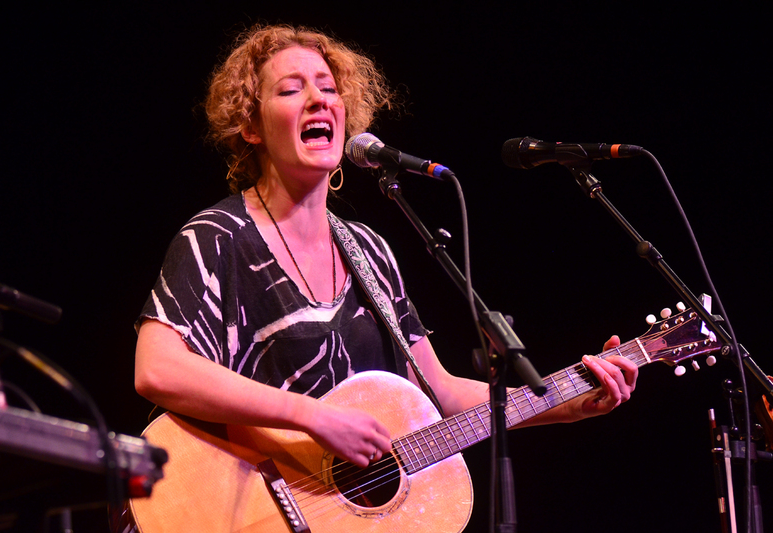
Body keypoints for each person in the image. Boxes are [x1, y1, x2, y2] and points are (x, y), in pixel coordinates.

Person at [130, 23, 638, 530]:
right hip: (227, 509)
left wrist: (561, 401)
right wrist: (313, 416)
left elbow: (438, 396)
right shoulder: (216, 237)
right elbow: (157, 369)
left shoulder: (369, 252)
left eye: (329, 89)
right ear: (250, 125)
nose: (317, 101)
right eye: (291, 89)